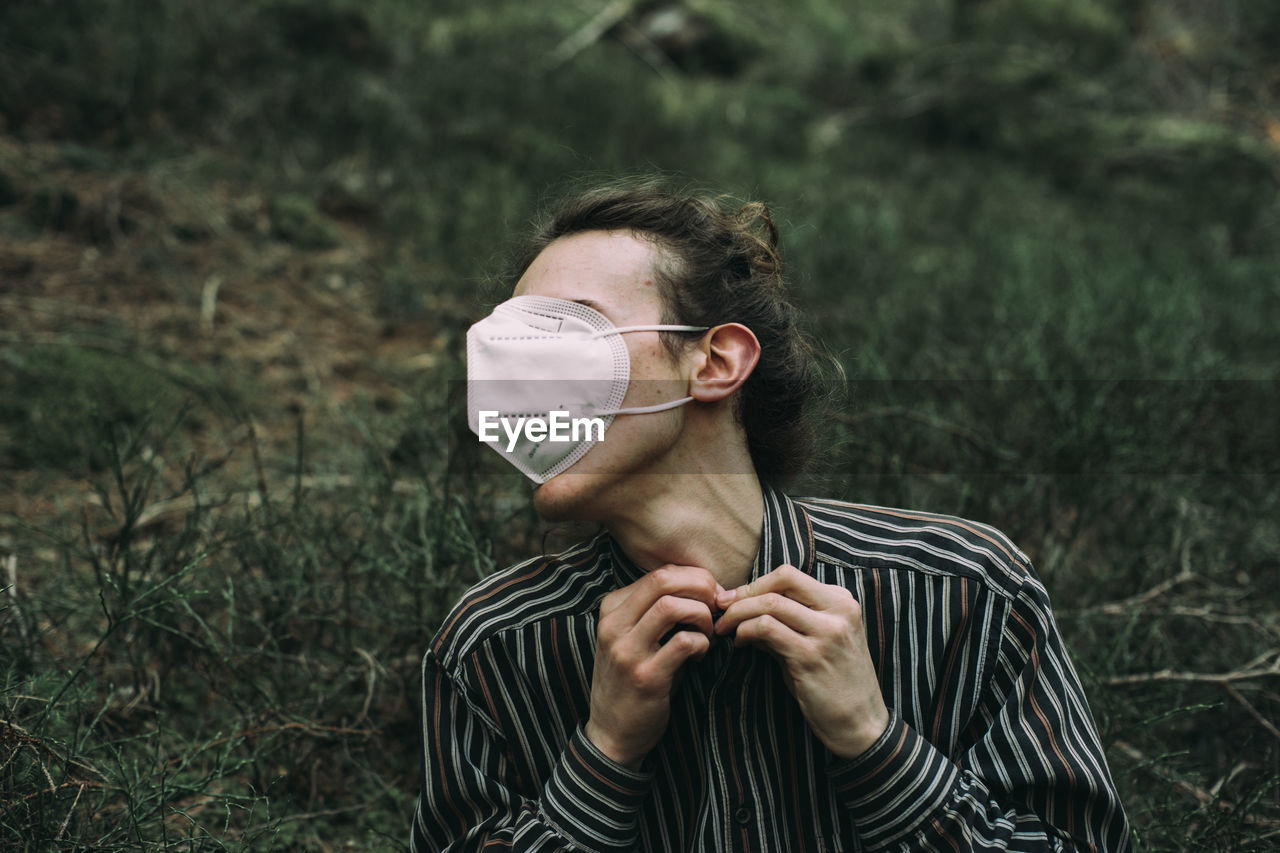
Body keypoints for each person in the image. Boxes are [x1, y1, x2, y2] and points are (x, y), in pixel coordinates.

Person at [410, 182, 1132, 852]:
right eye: (511, 345)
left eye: (565, 330)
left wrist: (874, 742)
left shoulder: (965, 592)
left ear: (717, 360)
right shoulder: (491, 647)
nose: (524, 377)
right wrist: (602, 755)